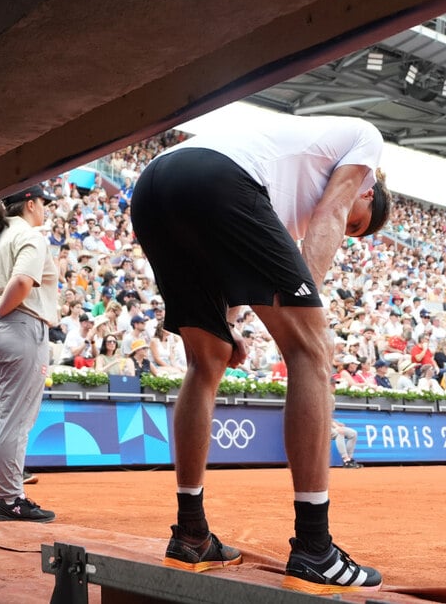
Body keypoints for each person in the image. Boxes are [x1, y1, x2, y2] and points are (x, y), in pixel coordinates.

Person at [130, 113, 390, 593]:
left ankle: (191, 535)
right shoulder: (365, 141)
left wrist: (229, 324)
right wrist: (306, 317)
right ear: (368, 191)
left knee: (205, 361)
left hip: (154, 187)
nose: (346, 230)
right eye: (357, 224)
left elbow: (223, 249)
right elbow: (333, 212)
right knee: (313, 352)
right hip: (221, 178)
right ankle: (314, 548)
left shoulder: (282, 201)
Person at [0, 184, 59, 523]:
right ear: (30, 204)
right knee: (15, 421)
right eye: (44, 203)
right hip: (18, 328)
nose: (46, 209)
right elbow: (21, 283)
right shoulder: (30, 236)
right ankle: (10, 499)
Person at [330, 397, 362, 469]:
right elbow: (324, 417)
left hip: (330, 425)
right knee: (339, 433)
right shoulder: (323, 397)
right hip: (321, 427)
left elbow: (329, 417)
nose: (334, 386)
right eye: (333, 385)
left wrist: (337, 423)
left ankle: (349, 460)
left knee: (353, 433)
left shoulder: (332, 397)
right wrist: (337, 427)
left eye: (335, 385)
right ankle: (345, 459)